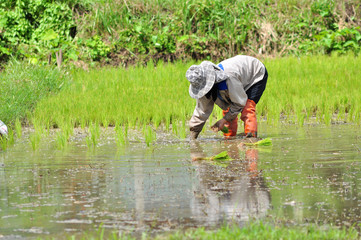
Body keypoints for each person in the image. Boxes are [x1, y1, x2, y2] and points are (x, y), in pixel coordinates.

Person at [186, 55, 268, 139]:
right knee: (228, 109)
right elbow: (201, 111)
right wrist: (193, 134)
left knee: (247, 108)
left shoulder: (229, 78)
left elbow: (239, 103)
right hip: (239, 78)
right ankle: (229, 138)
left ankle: (251, 139)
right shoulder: (202, 83)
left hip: (255, 74)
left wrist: (224, 120)